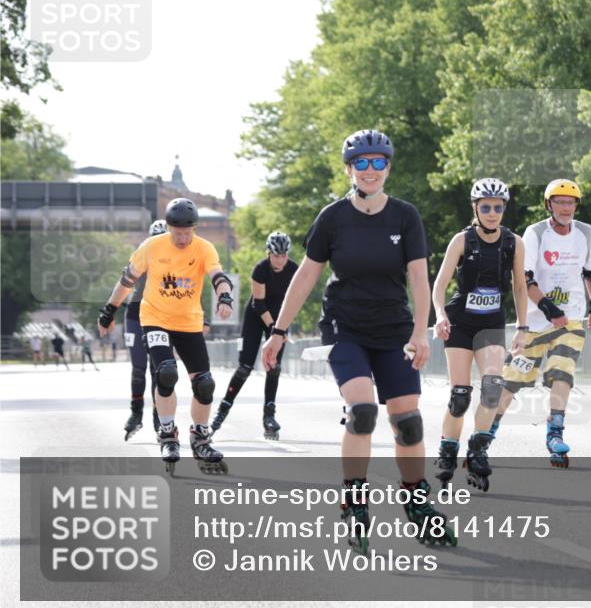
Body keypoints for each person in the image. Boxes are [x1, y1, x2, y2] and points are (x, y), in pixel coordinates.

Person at [262, 129, 456, 551]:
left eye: (378, 162)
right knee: (363, 411)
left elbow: (419, 278)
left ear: (388, 167)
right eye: (362, 163)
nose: (371, 170)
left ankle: (417, 504)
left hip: (393, 330)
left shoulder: (405, 216)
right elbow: (306, 276)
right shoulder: (332, 218)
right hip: (345, 328)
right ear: (349, 169)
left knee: (408, 423)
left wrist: (419, 332)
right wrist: (278, 331)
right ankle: (354, 500)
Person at [97, 198, 235, 473]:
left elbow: (218, 276)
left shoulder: (204, 247)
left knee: (205, 384)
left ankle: (200, 437)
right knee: (166, 372)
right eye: (177, 233)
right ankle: (168, 433)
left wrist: (225, 298)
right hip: (155, 319)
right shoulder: (151, 247)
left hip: (189, 323)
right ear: (169, 228)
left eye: (188, 232)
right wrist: (109, 310)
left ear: (194, 229)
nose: (183, 238)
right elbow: (127, 281)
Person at [491, 179, 591, 467]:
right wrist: (547, 306)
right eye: (560, 202)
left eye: (571, 203)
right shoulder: (536, 233)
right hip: (535, 322)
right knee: (512, 381)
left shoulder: (587, 234)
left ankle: (555, 433)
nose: (566, 208)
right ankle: (484, 436)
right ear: (549, 204)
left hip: (572, 319)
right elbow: (524, 277)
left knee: (562, 373)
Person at [431, 178, 528, 491]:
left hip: (491, 324)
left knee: (491, 387)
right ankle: (447, 450)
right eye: (485, 207)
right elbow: (440, 283)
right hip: (460, 323)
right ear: (475, 208)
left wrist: (523, 328)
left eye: (498, 207)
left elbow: (519, 287)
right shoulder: (462, 240)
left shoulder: (514, 242)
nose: (492, 212)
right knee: (460, 396)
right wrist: (440, 315)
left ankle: (477, 451)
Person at [211, 231, 298, 440]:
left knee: (273, 366)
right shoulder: (260, 269)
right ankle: (222, 409)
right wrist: (273, 329)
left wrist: (281, 329)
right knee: (245, 367)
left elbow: (295, 301)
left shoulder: (294, 270)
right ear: (269, 253)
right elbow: (258, 303)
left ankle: (269, 416)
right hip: (256, 316)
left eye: (284, 255)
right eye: (277, 255)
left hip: (279, 318)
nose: (281, 260)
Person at [122, 219, 167, 441]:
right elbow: (125, 281)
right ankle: (135, 413)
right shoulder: (142, 255)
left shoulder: (178, 261)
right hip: (135, 314)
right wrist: (110, 310)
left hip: (162, 316)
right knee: (139, 369)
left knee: (159, 370)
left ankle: (159, 417)